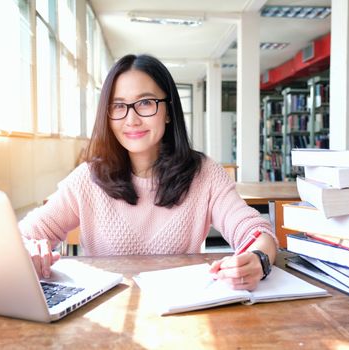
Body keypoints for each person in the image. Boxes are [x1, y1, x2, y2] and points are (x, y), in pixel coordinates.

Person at [19, 54, 277, 291]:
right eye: (118, 106)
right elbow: (22, 235)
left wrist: (258, 260)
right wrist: (30, 248)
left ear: (168, 111)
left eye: (145, 102)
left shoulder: (204, 174)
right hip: (107, 318)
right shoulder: (87, 178)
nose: (131, 119)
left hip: (183, 311)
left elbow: (255, 230)